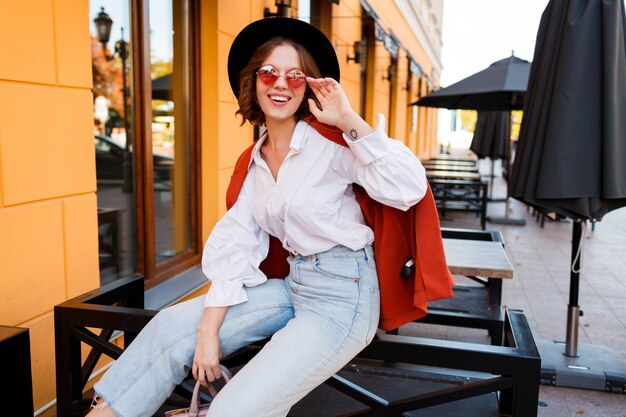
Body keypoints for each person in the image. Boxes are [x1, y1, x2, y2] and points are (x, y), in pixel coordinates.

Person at [87, 17, 428, 417]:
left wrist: (348, 120)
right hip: (293, 286)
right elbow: (237, 248)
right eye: (269, 72)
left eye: (295, 76)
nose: (281, 83)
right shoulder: (252, 163)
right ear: (254, 82)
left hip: (344, 297)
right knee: (167, 331)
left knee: (236, 409)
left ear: (311, 87)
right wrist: (207, 331)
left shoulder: (333, 145)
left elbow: (407, 188)